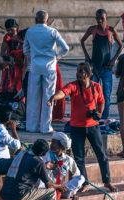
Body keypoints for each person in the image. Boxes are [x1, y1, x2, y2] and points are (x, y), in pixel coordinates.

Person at [48, 63, 116, 192]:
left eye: (81, 72)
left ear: (89, 75)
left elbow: (102, 102)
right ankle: (84, 182)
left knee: (101, 155)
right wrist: (53, 97)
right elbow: (63, 92)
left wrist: (99, 113)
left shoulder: (96, 87)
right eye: (78, 71)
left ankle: (107, 182)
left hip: (93, 127)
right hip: (76, 127)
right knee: (79, 157)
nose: (78, 74)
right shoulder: (74, 85)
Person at [0, 139, 65, 200]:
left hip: (4, 194)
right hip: (18, 195)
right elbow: (49, 184)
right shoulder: (38, 162)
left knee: (39, 192)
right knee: (50, 193)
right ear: (43, 154)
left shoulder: (21, 154)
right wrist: (59, 186)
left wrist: (44, 166)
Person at [23, 10, 69, 133]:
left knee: (33, 97)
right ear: (47, 20)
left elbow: (25, 49)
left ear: (35, 19)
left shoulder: (30, 31)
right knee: (49, 96)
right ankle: (45, 127)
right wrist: (57, 56)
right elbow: (66, 48)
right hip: (50, 67)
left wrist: (32, 57)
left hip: (35, 66)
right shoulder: (52, 31)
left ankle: (31, 126)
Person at [80, 8, 123, 120]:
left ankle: (104, 117)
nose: (99, 20)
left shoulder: (111, 30)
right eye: (97, 18)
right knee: (92, 93)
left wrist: (113, 60)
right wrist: (87, 57)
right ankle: (93, 115)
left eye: (101, 18)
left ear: (106, 18)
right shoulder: (92, 29)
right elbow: (82, 41)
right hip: (94, 68)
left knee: (106, 95)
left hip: (107, 68)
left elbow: (121, 46)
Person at [44, 131, 84, 200]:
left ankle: (69, 193)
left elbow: (76, 175)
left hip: (61, 188)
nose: (51, 145)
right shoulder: (45, 155)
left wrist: (74, 193)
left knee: (81, 178)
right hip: (47, 187)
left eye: (54, 143)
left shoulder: (68, 159)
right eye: (52, 142)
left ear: (62, 146)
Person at [0, 19, 24, 97]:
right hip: (11, 64)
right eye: (8, 30)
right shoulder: (7, 37)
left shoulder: (22, 35)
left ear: (17, 28)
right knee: (9, 86)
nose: (10, 32)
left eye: (12, 29)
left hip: (22, 64)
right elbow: (2, 53)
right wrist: (8, 60)